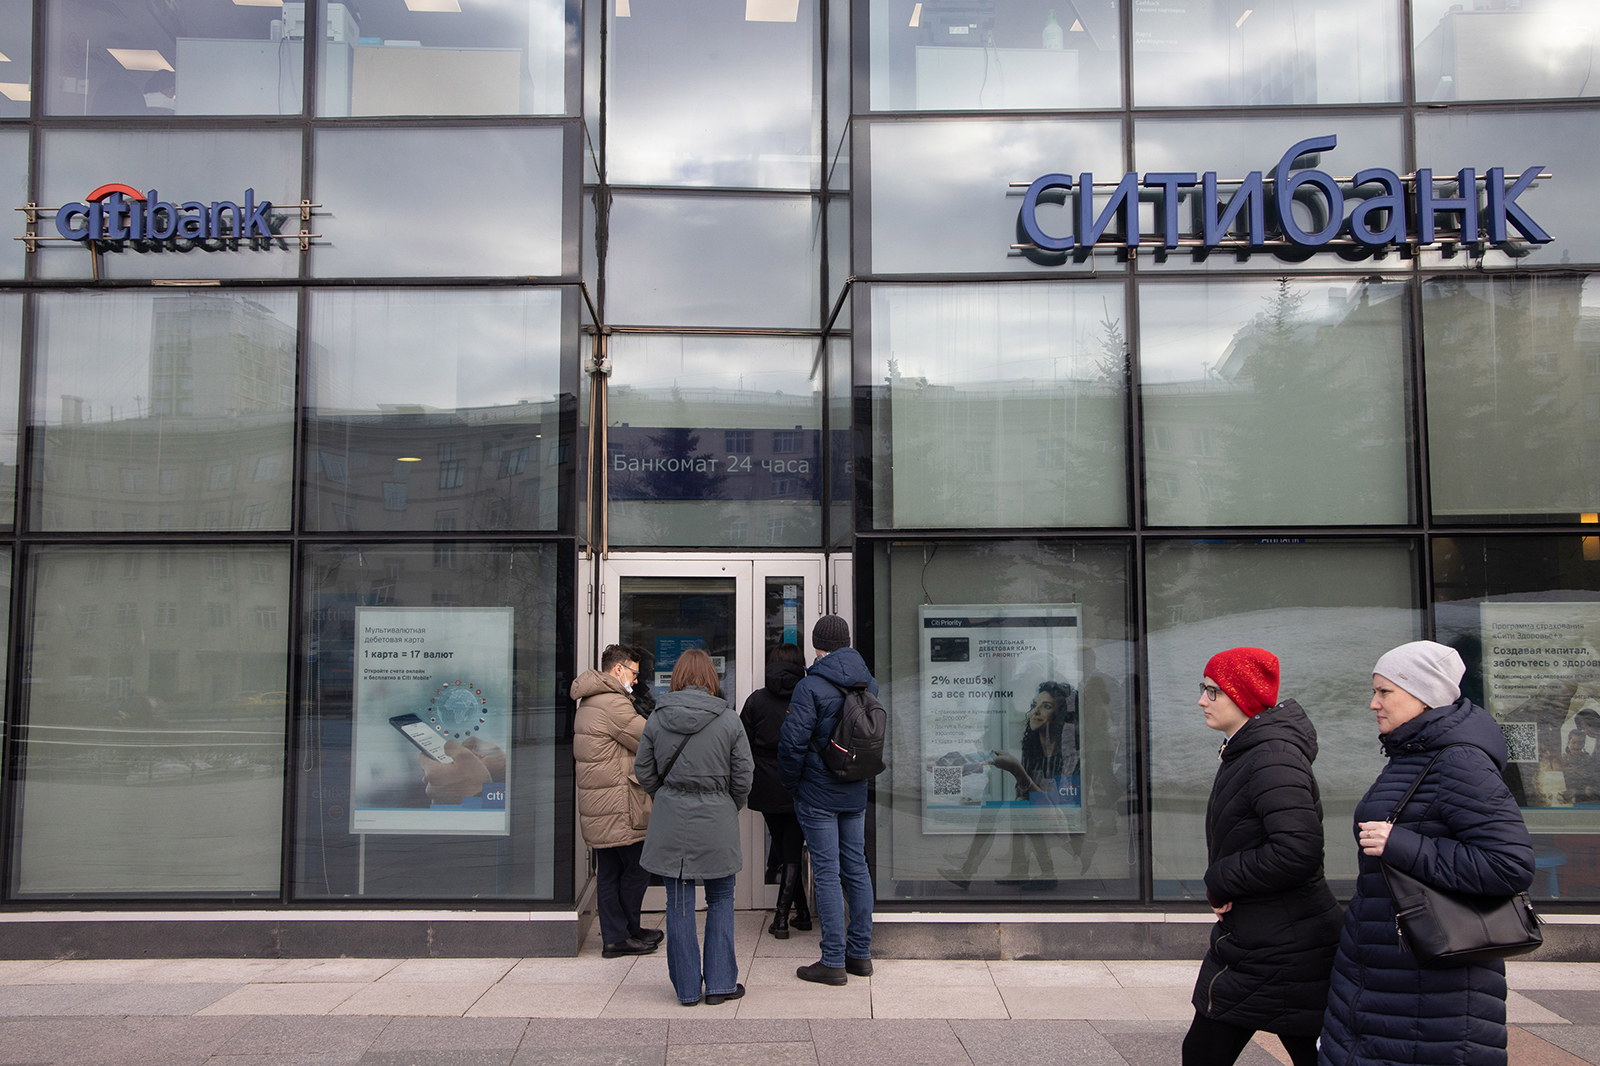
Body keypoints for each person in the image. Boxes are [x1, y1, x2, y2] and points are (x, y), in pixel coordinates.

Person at [1319, 640, 1536, 1066]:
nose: (1373, 703)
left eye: (1385, 692)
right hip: (1389, 976)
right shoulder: (1414, 753)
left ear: (1422, 696)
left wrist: (1401, 844)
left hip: (1432, 992)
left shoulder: (1459, 762)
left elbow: (1510, 865)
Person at [1182, 648, 1341, 1066]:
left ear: (1244, 697)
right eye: (1204, 689)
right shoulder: (1248, 751)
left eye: (1212, 691)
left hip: (1287, 945)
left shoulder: (1272, 758)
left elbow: (1298, 850)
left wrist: (1222, 878)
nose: (1202, 700)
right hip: (1261, 937)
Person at [635, 648, 754, 1006]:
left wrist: (668, 796)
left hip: (672, 819)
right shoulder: (729, 719)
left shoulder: (657, 718)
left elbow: (643, 771)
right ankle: (720, 985)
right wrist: (726, 804)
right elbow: (744, 776)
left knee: (679, 901)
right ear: (711, 679)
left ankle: (686, 989)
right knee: (721, 898)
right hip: (716, 818)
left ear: (677, 677)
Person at [778, 615, 879, 985]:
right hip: (854, 789)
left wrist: (793, 786)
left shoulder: (811, 686)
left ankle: (833, 961)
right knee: (856, 866)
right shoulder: (869, 683)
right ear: (847, 642)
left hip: (817, 793)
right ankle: (860, 954)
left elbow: (792, 744)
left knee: (826, 872)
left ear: (817, 646)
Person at [939, 680, 1083, 890]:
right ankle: (1017, 870)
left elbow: (1056, 807)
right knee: (1006, 808)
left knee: (1016, 811)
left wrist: (1017, 771)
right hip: (1041, 808)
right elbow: (1027, 791)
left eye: (1047, 706)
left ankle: (1044, 872)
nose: (1036, 712)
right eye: (1035, 705)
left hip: (1062, 819)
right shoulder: (1033, 743)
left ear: (1060, 714)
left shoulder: (1067, 750)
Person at [572, 644, 661, 959]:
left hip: (601, 802)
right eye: (634, 673)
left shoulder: (591, 700)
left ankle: (625, 932)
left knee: (610, 870)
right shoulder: (613, 704)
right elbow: (649, 739)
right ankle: (619, 936)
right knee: (636, 868)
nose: (636, 681)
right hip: (617, 802)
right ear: (619, 669)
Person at [740, 642, 814, 939]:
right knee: (791, 847)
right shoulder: (809, 697)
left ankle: (790, 916)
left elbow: (742, 745)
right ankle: (791, 916)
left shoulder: (756, 701)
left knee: (784, 846)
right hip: (800, 781)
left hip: (766, 783)